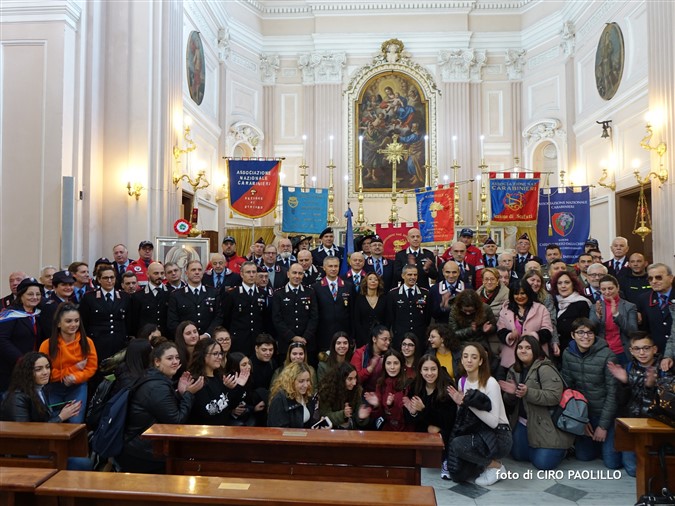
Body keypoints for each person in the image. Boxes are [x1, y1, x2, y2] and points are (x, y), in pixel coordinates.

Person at [117, 341, 203, 473]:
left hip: (144, 447)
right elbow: (176, 421)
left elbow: (165, 411)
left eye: (177, 357)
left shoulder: (156, 379)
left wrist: (180, 394)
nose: (175, 361)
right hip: (142, 453)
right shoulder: (156, 387)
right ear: (157, 362)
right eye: (169, 358)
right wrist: (188, 394)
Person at [0, 351, 92, 470]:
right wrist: (61, 417)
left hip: (40, 447)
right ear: (27, 373)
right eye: (39, 369)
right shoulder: (17, 397)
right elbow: (24, 435)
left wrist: (62, 411)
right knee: (82, 463)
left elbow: (43, 419)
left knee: (80, 455)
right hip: (26, 453)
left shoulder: (40, 390)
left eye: (48, 367)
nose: (45, 372)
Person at [499, 335, 574, 470]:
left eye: (528, 348)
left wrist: (528, 392)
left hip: (545, 421)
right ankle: (538, 448)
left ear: (536, 350)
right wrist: (511, 395)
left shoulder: (545, 368)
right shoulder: (513, 369)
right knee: (518, 456)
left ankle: (562, 450)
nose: (523, 351)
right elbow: (509, 402)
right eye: (520, 347)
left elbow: (554, 396)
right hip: (523, 421)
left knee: (542, 464)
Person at [446, 342, 512, 486]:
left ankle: (496, 466)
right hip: (478, 432)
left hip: (499, 435)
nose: (469, 360)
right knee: (458, 474)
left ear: (481, 361)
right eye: (465, 356)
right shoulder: (462, 382)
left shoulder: (490, 383)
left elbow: (494, 422)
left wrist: (466, 403)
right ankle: (481, 464)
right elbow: (462, 415)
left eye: (474, 357)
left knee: (458, 445)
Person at [561, 318, 621, 470]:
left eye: (589, 333)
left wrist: (603, 426)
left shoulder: (607, 355)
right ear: (573, 335)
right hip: (585, 413)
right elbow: (568, 389)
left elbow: (613, 393)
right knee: (584, 457)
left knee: (612, 463)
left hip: (605, 415)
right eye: (580, 332)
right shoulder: (568, 354)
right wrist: (580, 420)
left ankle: (610, 442)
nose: (585, 337)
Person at [608, 332, 663, 477]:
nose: (642, 352)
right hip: (630, 421)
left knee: (637, 470)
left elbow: (664, 406)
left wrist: (651, 387)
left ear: (654, 349)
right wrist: (624, 383)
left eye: (646, 348)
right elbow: (621, 402)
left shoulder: (664, 369)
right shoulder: (627, 368)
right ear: (631, 351)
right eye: (637, 349)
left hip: (653, 423)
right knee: (616, 464)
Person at [38, 303, 97, 423]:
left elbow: (91, 367)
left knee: (75, 423)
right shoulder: (47, 344)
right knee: (55, 422)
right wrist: (74, 368)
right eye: (68, 321)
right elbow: (44, 372)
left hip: (78, 386)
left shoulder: (87, 342)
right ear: (59, 323)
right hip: (53, 388)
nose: (73, 325)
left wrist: (75, 377)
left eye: (76, 321)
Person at [405, 354, 457, 479]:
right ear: (420, 371)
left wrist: (423, 410)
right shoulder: (415, 387)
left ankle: (446, 460)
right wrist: (413, 412)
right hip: (423, 427)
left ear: (438, 370)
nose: (430, 373)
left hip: (443, 429)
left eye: (433, 369)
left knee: (440, 430)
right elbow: (411, 419)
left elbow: (447, 420)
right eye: (426, 369)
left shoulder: (447, 388)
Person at [78, 264, 131, 368]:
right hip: (97, 343)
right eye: (105, 278)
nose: (109, 281)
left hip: (118, 343)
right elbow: (84, 321)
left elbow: (129, 321)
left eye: (112, 277)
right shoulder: (90, 297)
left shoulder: (124, 297)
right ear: (99, 279)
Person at [497, 280, 554, 374]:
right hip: (511, 360)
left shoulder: (541, 308)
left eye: (523, 293)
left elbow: (548, 331)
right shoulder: (505, 309)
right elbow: (500, 330)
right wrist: (509, 335)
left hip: (536, 358)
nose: (519, 296)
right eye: (516, 294)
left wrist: (532, 335)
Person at [187, 337, 248, 425]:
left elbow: (230, 405)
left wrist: (239, 386)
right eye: (215, 354)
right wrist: (227, 391)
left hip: (222, 430)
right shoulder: (196, 380)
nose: (219, 357)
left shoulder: (220, 377)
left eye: (220, 353)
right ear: (203, 355)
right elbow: (210, 411)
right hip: (204, 433)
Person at [0, 277, 44, 393]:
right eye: (30, 294)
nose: (35, 297)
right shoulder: (9, 314)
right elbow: (2, 339)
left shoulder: (39, 313)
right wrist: (22, 360)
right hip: (12, 368)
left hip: (33, 368)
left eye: (38, 294)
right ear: (21, 295)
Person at [271, 262, 318, 357]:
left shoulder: (310, 292)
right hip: (286, 343)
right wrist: (292, 337)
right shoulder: (279, 294)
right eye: (294, 273)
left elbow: (314, 317)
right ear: (288, 274)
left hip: (307, 342)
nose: (297, 276)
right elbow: (277, 319)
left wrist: (305, 337)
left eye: (300, 273)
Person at [221, 261, 268, 356]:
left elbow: (265, 318)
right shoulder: (232, 294)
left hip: (257, 340)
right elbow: (226, 318)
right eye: (248, 272)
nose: (251, 275)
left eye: (254, 272)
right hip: (238, 340)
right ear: (241, 274)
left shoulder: (263, 293)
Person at [167, 260, 223, 340]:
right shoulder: (176, 295)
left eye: (199, 270)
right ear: (186, 273)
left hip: (208, 339)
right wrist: (187, 335)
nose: (197, 272)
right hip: (185, 341)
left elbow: (218, 317)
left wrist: (207, 334)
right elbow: (172, 322)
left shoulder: (213, 292)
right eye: (193, 270)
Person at [589, 274, 638, 365]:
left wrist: (616, 315)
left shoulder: (629, 306)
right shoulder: (595, 307)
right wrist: (597, 316)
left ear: (617, 288)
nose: (607, 292)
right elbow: (590, 329)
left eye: (610, 288)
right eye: (603, 289)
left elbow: (633, 331)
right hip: (602, 352)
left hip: (623, 352)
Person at [363, 349, 413, 431]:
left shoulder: (409, 383)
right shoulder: (380, 383)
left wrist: (392, 405)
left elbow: (407, 415)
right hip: (387, 429)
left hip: (406, 430)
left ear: (401, 365)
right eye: (388, 363)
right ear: (384, 366)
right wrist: (376, 405)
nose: (392, 367)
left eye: (396, 363)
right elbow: (380, 415)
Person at [313, 256, 353, 353]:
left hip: (343, 333)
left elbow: (352, 311)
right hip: (324, 334)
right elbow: (315, 312)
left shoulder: (348, 286)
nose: (333, 269)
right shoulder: (316, 287)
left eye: (336, 266)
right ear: (324, 268)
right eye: (330, 266)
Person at [386, 264, 431, 348]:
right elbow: (391, 316)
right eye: (409, 274)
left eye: (415, 274)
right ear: (403, 276)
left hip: (419, 336)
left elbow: (427, 317)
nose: (413, 277)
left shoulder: (425, 293)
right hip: (400, 336)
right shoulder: (393, 294)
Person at [448, 289, 497, 364]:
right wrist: (470, 330)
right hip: (462, 343)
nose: (468, 313)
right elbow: (453, 333)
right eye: (465, 310)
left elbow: (494, 326)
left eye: (471, 311)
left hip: (480, 342)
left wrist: (488, 329)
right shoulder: (455, 310)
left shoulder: (485, 309)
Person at [318, 362, 370, 429]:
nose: (354, 383)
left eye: (355, 378)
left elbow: (359, 415)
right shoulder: (327, 391)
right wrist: (343, 414)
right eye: (350, 379)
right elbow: (324, 415)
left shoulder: (356, 390)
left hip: (350, 430)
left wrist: (361, 417)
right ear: (341, 379)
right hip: (331, 430)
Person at [267, 361, 319, 428]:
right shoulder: (279, 400)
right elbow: (278, 431)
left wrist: (318, 426)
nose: (306, 385)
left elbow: (308, 423)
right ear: (290, 381)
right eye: (301, 381)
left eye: (308, 380)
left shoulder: (308, 396)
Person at [636, 263, 673, 355]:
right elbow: (644, 329)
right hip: (657, 354)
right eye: (650, 278)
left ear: (671, 278)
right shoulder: (643, 299)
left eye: (658, 277)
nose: (654, 281)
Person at [550, 271, 592, 352]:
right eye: (559, 283)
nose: (563, 286)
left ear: (573, 284)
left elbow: (585, 329)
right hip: (556, 350)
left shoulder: (582, 303)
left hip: (575, 350)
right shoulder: (554, 302)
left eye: (567, 282)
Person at [351, 325, 391, 393]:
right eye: (385, 339)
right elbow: (354, 380)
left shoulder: (390, 355)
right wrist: (370, 368)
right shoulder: (360, 353)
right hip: (362, 393)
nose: (388, 342)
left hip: (383, 393)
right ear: (374, 339)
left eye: (389, 339)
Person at [352, 272, 387, 348]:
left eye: (375, 279)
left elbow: (388, 319)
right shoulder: (359, 299)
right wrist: (362, 337)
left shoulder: (384, 299)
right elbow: (356, 320)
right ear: (366, 282)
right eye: (370, 279)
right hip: (362, 338)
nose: (373, 281)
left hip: (380, 337)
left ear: (379, 283)